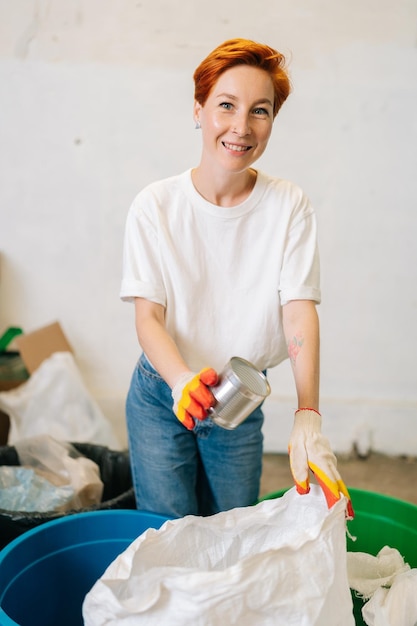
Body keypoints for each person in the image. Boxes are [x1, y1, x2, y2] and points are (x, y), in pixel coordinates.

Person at [121, 38, 353, 519]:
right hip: (164, 393)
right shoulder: (155, 206)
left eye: (260, 111)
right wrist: (182, 381)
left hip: (240, 399)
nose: (241, 127)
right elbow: (149, 319)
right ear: (198, 109)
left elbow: (298, 309)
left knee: (233, 533)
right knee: (168, 535)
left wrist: (308, 414)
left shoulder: (289, 205)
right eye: (226, 105)